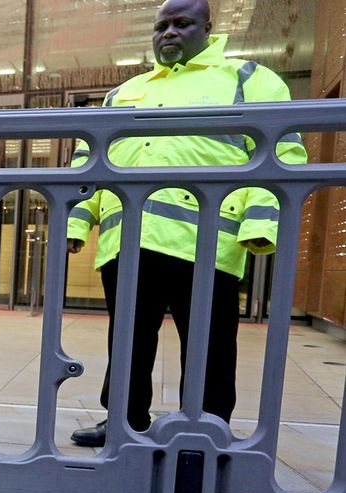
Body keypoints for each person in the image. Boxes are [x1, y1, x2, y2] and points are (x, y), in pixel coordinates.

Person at [65, 0, 307, 447]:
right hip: (128, 239)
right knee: (128, 341)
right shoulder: (124, 91)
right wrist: (77, 224)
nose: (169, 33)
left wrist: (260, 225)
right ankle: (123, 420)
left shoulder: (247, 79)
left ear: (208, 28)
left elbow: (282, 153)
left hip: (208, 239)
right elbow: (90, 161)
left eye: (182, 23)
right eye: (161, 26)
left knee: (210, 344)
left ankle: (206, 426)